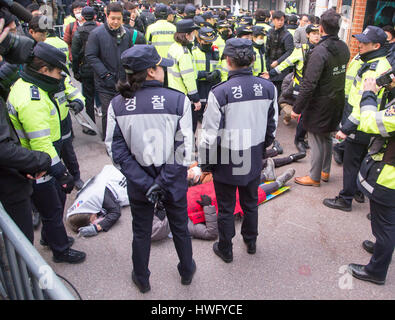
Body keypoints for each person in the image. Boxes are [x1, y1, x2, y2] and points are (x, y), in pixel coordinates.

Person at [105, 45, 196, 293]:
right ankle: (187, 271)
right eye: (161, 66)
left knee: (141, 230)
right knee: (180, 227)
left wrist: (147, 184)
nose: (164, 70)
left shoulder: (117, 104)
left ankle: (142, 278)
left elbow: (116, 150)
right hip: (173, 179)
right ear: (152, 71)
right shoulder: (179, 100)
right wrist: (163, 181)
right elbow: (184, 148)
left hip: (139, 182)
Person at [198, 38, 278, 263]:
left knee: (225, 207)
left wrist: (206, 163)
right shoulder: (268, 87)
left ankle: (226, 248)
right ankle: (251, 241)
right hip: (253, 153)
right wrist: (263, 149)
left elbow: (209, 134)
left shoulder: (220, 92)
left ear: (228, 61)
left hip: (226, 157)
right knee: (250, 201)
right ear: (253, 60)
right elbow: (272, 123)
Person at [7, 42, 86, 263]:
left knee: (55, 201)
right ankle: (60, 250)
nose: (60, 75)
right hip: (39, 163)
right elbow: (40, 143)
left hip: (47, 154)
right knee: (51, 207)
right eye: (57, 71)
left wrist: (77, 102)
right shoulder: (33, 99)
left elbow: (69, 90)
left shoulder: (39, 84)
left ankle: (49, 238)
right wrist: (61, 172)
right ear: (44, 70)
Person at [324, 26, 391, 210]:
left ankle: (345, 199)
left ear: (376, 45)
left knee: (351, 161)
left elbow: (362, 105)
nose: (359, 44)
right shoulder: (380, 62)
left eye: (364, 42)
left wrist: (345, 129)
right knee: (361, 158)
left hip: (361, 124)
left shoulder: (372, 69)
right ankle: (358, 191)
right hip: (368, 124)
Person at [0, 17, 51, 243]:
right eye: (6, 31)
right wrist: (39, 160)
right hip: (15, 180)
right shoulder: (24, 92)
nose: (13, 33)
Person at [292, 9, 350, 187]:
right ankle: (325, 171)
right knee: (326, 137)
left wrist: (297, 108)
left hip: (320, 103)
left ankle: (314, 177)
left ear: (322, 29)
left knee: (316, 138)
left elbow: (308, 84)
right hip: (336, 99)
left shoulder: (320, 51)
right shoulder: (343, 47)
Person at [347, 77, 395, 285]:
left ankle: (376, 270)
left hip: (389, 179)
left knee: (384, 224)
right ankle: (382, 248)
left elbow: (369, 123)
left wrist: (369, 94)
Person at [266, 24, 320, 152]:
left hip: (316, 88)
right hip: (302, 87)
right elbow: (286, 63)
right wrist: (272, 73)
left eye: (318, 33)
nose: (317, 36)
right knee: (304, 113)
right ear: (307, 35)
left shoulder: (322, 49)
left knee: (311, 113)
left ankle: (305, 138)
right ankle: (299, 139)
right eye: (313, 33)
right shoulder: (300, 50)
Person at [85, 2, 136, 140]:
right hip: (105, 83)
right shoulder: (96, 34)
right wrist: (105, 74)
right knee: (108, 112)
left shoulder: (126, 33)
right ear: (107, 16)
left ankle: (123, 138)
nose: (115, 22)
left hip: (123, 80)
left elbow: (130, 54)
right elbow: (90, 55)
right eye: (112, 18)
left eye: (118, 19)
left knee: (124, 110)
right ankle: (109, 140)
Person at [167, 19, 201, 133]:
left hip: (173, 90)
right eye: (193, 33)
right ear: (187, 35)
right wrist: (195, 99)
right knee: (187, 127)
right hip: (184, 95)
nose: (194, 36)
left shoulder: (173, 47)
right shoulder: (184, 52)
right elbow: (188, 77)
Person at [72, 6, 99, 135]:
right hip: (101, 68)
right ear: (94, 16)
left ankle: (91, 126)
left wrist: (75, 70)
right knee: (105, 97)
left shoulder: (79, 32)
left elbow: (75, 54)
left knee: (89, 98)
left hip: (87, 68)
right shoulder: (101, 30)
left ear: (82, 17)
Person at [192, 27, 221, 127]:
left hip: (212, 86)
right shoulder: (194, 52)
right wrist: (203, 75)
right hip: (199, 86)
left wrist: (217, 73)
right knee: (197, 114)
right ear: (199, 40)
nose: (208, 44)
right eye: (205, 41)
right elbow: (191, 71)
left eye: (210, 41)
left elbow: (220, 66)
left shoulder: (215, 51)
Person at [265, 10, 294, 97]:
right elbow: (267, 49)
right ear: (273, 20)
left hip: (282, 68)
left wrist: (278, 61)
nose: (280, 22)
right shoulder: (270, 31)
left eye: (282, 20)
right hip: (269, 65)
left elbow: (289, 51)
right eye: (278, 20)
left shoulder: (287, 35)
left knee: (278, 92)